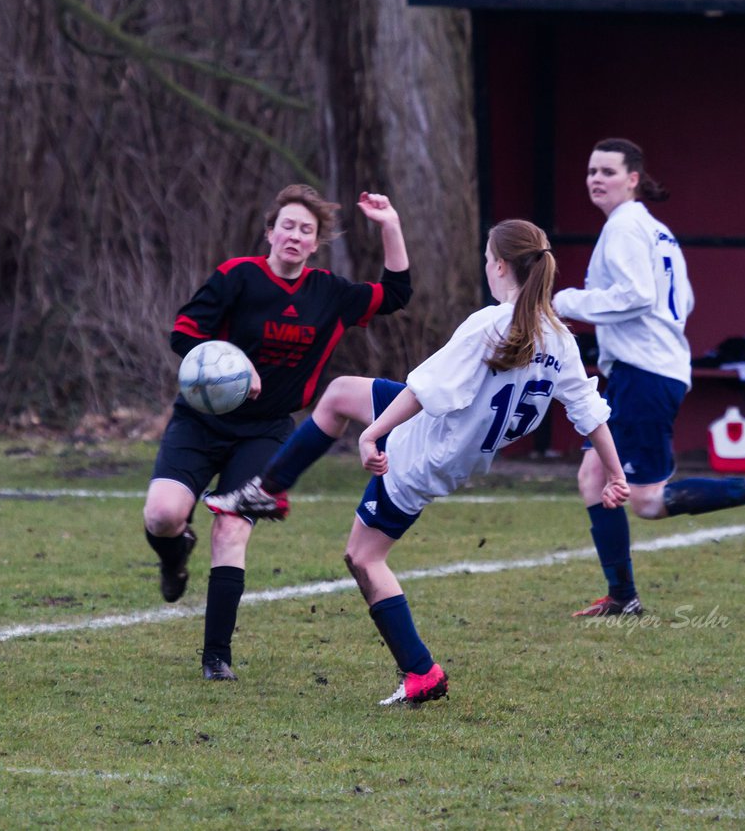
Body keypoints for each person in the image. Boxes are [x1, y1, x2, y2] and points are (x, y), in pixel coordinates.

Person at [207, 219, 630, 705]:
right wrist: (615, 474)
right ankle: (269, 490)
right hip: (456, 443)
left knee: (364, 558)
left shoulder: (489, 325)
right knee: (341, 392)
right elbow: (590, 413)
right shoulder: (559, 337)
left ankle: (421, 671)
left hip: (425, 451)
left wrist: (373, 433)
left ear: (496, 265)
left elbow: (426, 391)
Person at [143, 184, 412, 681]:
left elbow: (396, 294)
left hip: (265, 431)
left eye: (305, 230)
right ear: (269, 232)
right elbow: (183, 332)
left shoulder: (328, 293)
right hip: (200, 422)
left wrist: (390, 225)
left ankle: (215, 659)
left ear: (314, 244)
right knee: (162, 516)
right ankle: (174, 553)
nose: (294, 235)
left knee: (231, 527)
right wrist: (235, 367)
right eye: (286, 225)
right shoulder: (236, 277)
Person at [551, 138, 745, 619]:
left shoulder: (625, 227)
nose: (596, 179)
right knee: (593, 476)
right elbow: (681, 302)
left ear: (633, 179)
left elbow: (636, 295)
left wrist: (564, 302)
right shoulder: (655, 229)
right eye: (591, 171)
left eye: (608, 171)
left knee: (645, 500)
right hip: (646, 368)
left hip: (643, 373)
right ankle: (622, 596)